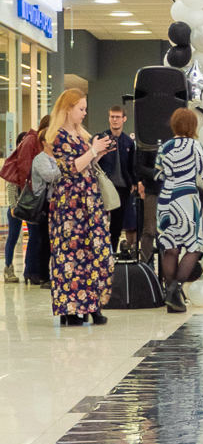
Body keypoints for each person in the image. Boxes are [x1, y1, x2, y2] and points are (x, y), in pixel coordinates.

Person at [47, 90, 114, 326]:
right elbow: (71, 167)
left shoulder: (82, 135)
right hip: (69, 203)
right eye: (81, 109)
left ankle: (93, 305)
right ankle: (71, 308)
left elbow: (86, 165)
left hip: (90, 200)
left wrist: (98, 153)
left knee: (96, 251)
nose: (84, 113)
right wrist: (93, 151)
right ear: (68, 109)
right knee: (70, 254)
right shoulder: (57, 136)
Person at [155, 108, 203, 313]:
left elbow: (158, 174)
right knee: (194, 246)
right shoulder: (194, 145)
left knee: (171, 248)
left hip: (165, 200)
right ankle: (175, 290)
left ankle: (170, 296)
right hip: (186, 200)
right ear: (192, 126)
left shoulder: (164, 147)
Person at [101, 106, 137, 255]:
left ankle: (112, 255)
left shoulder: (128, 142)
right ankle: (101, 255)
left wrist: (133, 183)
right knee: (100, 224)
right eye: (112, 117)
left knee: (116, 226)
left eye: (118, 117)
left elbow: (131, 165)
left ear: (124, 119)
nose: (115, 120)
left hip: (122, 187)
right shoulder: (101, 138)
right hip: (103, 187)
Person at [24, 115, 54, 287]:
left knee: (45, 239)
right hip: (43, 204)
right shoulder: (41, 159)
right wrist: (67, 168)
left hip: (51, 203)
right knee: (42, 240)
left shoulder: (53, 158)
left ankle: (42, 273)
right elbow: (50, 176)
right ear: (44, 141)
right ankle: (42, 275)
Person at [2, 131, 29, 283]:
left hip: (29, 206)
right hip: (16, 206)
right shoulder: (15, 161)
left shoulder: (30, 159)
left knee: (33, 237)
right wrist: (13, 206)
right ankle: (8, 267)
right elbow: (11, 186)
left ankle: (31, 269)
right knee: (12, 236)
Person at [135, 146, 160, 268]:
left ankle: (167, 270)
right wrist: (158, 174)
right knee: (150, 230)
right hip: (153, 191)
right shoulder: (146, 142)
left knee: (169, 233)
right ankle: (147, 268)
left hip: (173, 192)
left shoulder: (173, 140)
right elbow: (139, 168)